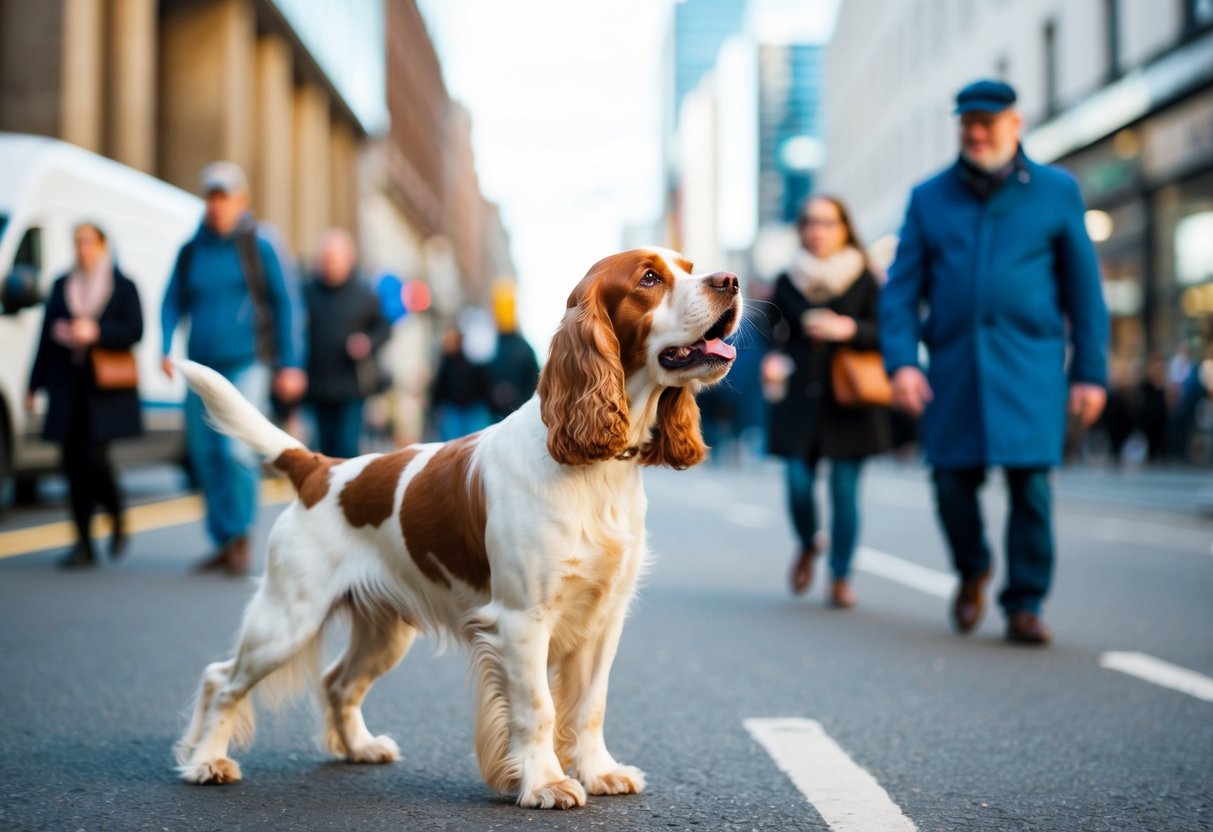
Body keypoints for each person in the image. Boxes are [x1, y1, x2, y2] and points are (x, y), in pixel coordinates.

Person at [880, 80, 1109, 645]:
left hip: (1029, 368)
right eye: (967, 124)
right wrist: (903, 363)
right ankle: (973, 566)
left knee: (1031, 486)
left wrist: (1091, 373)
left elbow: (1085, 292)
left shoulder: (1057, 191)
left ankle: (1025, 603)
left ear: (1016, 124)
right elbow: (901, 292)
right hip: (954, 371)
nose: (976, 134)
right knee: (951, 484)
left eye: (988, 123)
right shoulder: (929, 197)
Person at [160, 161, 307, 575]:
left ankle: (242, 534)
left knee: (235, 448)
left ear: (242, 201)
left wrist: (290, 364)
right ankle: (223, 538)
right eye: (211, 196)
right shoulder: (192, 249)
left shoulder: (259, 245)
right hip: (200, 367)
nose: (217, 205)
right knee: (204, 454)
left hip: (248, 363)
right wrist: (165, 342)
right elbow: (172, 300)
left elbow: (286, 304)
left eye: (225, 197)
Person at [764, 196, 890, 608]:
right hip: (800, 398)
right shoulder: (787, 280)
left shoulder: (864, 278)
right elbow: (771, 333)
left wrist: (847, 328)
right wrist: (772, 360)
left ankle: (839, 575)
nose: (818, 231)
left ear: (844, 228)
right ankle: (807, 542)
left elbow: (886, 332)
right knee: (798, 484)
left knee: (844, 491)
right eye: (810, 222)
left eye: (827, 222)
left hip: (848, 398)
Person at [27, 222, 143, 568]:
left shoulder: (123, 286)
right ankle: (83, 543)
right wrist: (33, 385)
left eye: (89, 241)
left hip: (102, 389)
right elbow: (44, 338)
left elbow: (134, 329)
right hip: (67, 384)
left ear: (103, 245)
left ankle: (116, 512)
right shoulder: (62, 284)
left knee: (94, 459)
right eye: (78, 241)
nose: (83, 248)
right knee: (70, 464)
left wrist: (95, 331)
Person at [302, 229, 391, 458]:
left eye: (333, 259)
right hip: (317, 383)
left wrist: (367, 342)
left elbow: (384, 328)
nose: (328, 265)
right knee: (322, 447)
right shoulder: (307, 291)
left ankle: (348, 493)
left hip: (352, 385)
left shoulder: (365, 293)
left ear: (348, 259)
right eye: (324, 259)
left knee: (347, 445)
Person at [486, 281, 539, 422]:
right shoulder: (488, 344)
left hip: (517, 415)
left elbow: (534, 382)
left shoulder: (522, 348)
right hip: (492, 414)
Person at [430, 324, 492, 440]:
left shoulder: (473, 358)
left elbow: (484, 382)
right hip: (453, 410)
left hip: (474, 409)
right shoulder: (446, 361)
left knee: (475, 444)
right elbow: (440, 386)